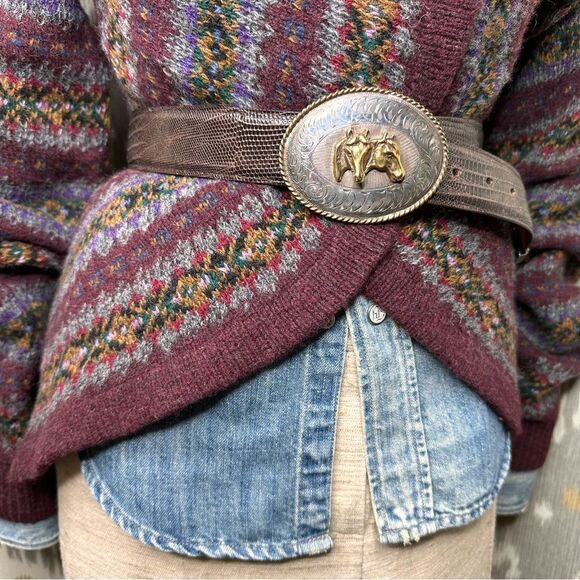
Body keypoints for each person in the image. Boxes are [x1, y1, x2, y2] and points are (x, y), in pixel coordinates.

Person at [0, 0, 578, 577]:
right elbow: (24, 159)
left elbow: (557, 166)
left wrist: (531, 390)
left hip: (439, 408)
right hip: (144, 378)